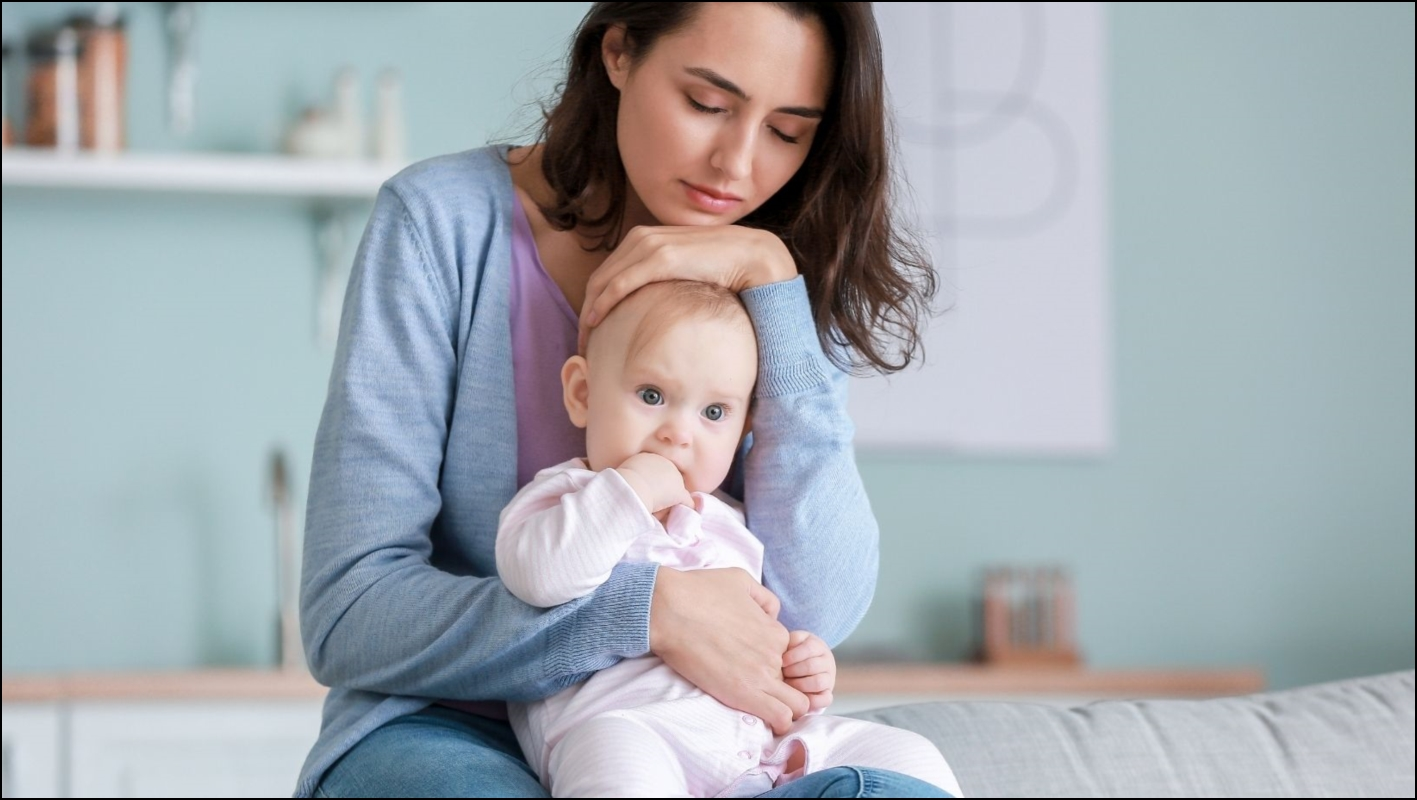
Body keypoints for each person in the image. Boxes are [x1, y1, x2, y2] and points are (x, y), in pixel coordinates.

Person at [298, 3, 940, 797]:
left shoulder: (779, 275)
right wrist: (645, 615)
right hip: (446, 727)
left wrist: (773, 282)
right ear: (619, 52)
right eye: (707, 103)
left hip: (705, 734)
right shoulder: (442, 222)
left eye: (786, 132)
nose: (736, 165)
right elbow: (350, 614)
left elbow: (818, 607)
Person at [496, 279, 960, 797]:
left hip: (761, 746)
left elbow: (757, 635)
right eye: (652, 396)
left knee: (909, 754)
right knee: (613, 756)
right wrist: (632, 489)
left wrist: (802, 666)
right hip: (635, 727)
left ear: (743, 428)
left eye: (713, 413)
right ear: (582, 393)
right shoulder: (564, 496)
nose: (679, 433)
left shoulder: (731, 522)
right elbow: (541, 578)